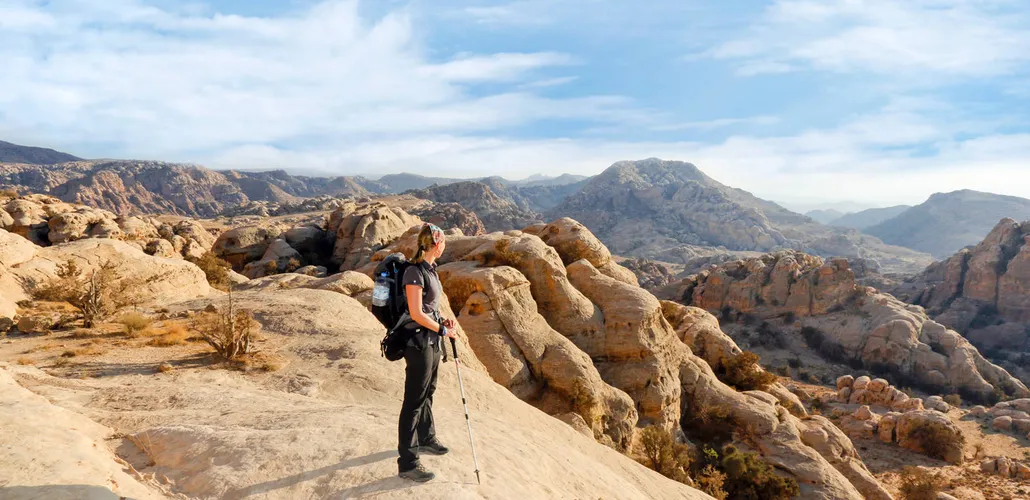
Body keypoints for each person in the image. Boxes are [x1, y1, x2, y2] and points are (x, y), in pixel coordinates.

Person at [397, 223, 458, 482]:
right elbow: (415, 313)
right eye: (443, 241)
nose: (444, 246)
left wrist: (443, 322)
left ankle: (425, 437)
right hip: (418, 343)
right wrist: (442, 331)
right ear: (436, 244)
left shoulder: (430, 269)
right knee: (413, 401)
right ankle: (408, 462)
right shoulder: (413, 271)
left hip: (432, 340)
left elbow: (429, 308)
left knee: (428, 392)